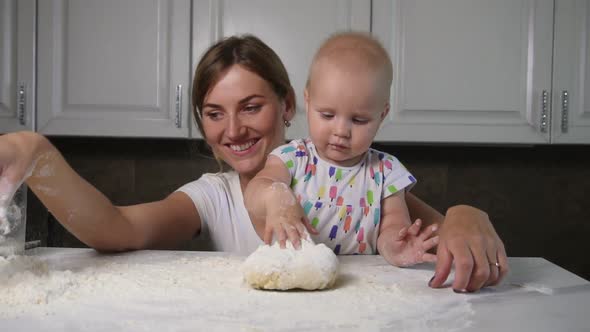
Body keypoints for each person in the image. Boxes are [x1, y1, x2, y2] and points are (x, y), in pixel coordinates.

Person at [0, 34, 507, 292]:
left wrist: (467, 214)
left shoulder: (359, 177)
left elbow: (434, 229)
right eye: (215, 114)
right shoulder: (213, 196)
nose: (234, 129)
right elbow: (115, 228)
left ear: (290, 105)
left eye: (251, 107)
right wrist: (37, 156)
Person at [244, 32, 438, 268]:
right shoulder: (292, 158)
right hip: (297, 270)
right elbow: (257, 189)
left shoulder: (387, 172)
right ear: (308, 101)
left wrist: (395, 246)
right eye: (327, 115)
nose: (341, 131)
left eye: (358, 120)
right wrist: (274, 196)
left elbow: (393, 225)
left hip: (363, 282)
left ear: (382, 115)